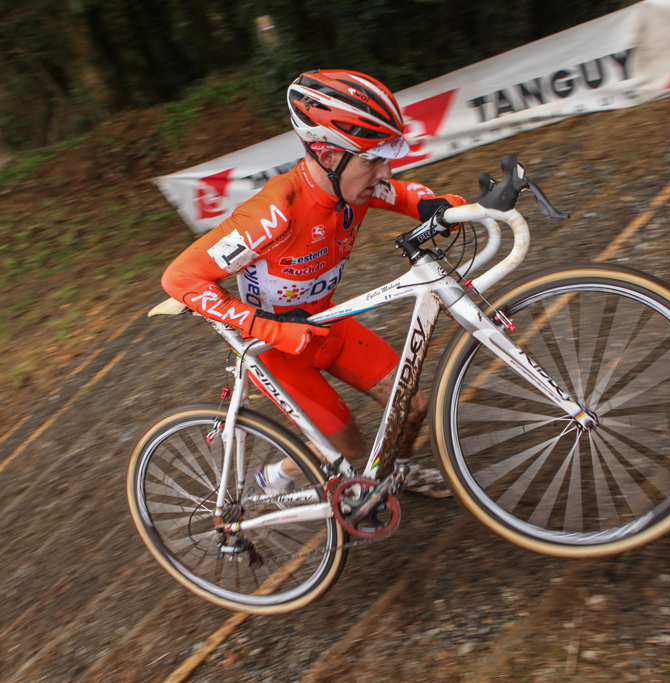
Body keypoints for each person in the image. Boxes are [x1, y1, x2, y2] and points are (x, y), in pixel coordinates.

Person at [162, 69, 466, 497]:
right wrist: (267, 327)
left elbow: (403, 194)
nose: (384, 171)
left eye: (386, 156)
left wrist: (452, 207)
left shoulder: (354, 188)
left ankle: (398, 471)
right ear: (326, 155)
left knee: (414, 406)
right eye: (372, 159)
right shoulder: (275, 211)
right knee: (348, 445)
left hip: (326, 322)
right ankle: (275, 477)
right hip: (277, 348)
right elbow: (180, 277)